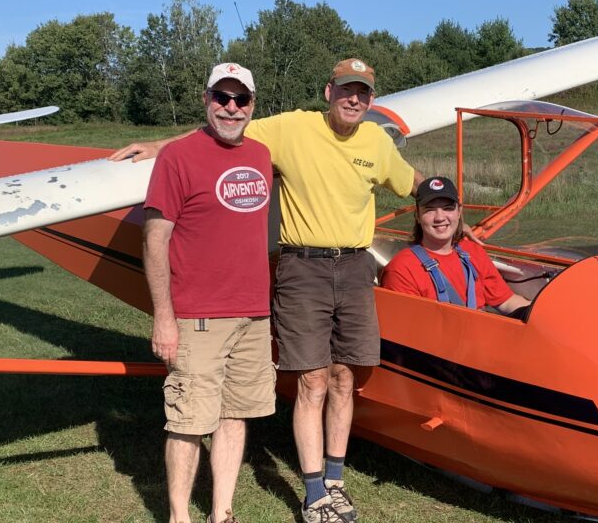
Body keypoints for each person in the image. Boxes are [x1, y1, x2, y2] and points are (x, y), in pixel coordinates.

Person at [112, 58, 425, 523]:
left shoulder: (367, 142)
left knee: (319, 385)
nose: (232, 106)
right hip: (287, 272)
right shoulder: (288, 129)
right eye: (345, 89)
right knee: (290, 386)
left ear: (371, 99)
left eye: (362, 92)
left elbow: (412, 181)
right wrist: (159, 145)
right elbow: (214, 138)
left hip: (327, 279)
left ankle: (239, 507)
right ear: (328, 92)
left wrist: (447, 210)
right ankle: (282, 496)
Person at [143, 63, 275, 523]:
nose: (231, 108)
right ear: (207, 99)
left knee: (235, 415)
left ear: (253, 106)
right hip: (197, 315)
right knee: (188, 422)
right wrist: (164, 317)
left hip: (254, 313)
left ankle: (222, 511)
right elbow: (155, 239)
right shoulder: (177, 157)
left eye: (241, 100)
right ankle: (180, 516)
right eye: (222, 97)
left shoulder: (261, 154)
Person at [381, 176, 531, 317]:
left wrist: (538, 313)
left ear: (459, 212)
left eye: (447, 208)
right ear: (418, 216)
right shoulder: (401, 269)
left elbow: (507, 302)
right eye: (430, 210)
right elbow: (409, 333)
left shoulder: (473, 252)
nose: (440, 217)